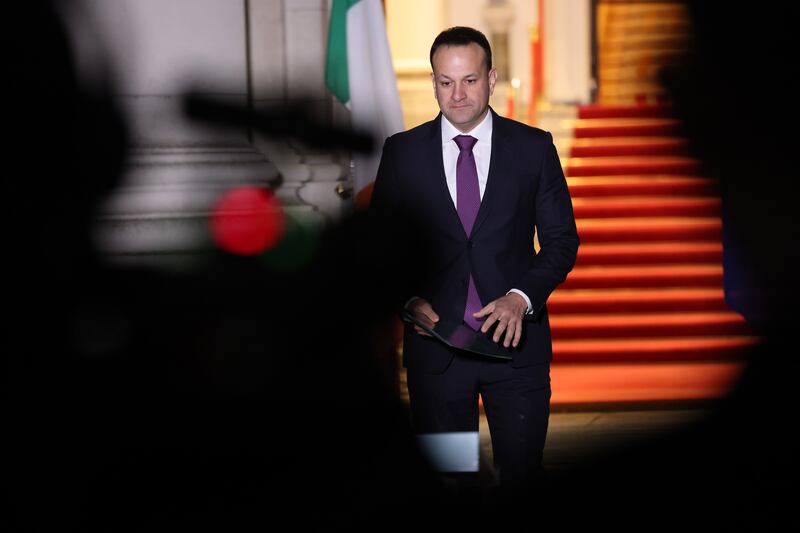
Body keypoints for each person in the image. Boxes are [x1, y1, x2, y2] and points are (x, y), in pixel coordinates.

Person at [370, 26, 579, 491]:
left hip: (515, 352)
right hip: (436, 354)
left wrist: (521, 297)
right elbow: (379, 247)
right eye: (445, 82)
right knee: (450, 479)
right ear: (433, 83)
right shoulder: (402, 153)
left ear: (491, 78)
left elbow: (562, 240)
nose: (457, 94)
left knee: (521, 477)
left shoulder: (533, 148)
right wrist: (408, 297)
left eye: (468, 80)